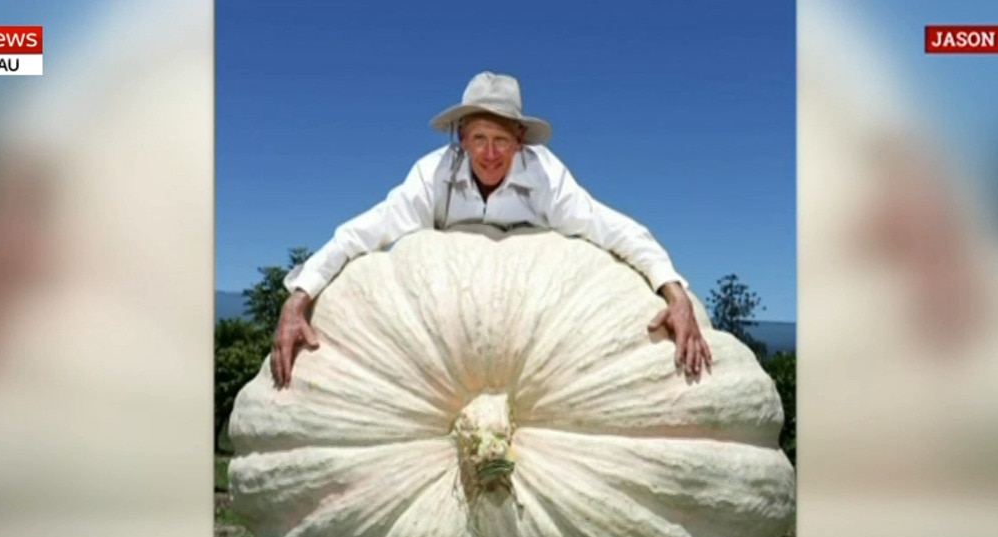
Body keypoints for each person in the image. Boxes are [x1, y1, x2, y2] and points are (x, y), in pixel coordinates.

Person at [271, 71, 710, 388]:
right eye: (479, 138)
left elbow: (612, 228)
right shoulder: (434, 175)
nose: (490, 152)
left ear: (520, 141)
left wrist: (675, 293)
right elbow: (363, 232)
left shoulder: (545, 178)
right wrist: (298, 300)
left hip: (530, 331)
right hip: (450, 328)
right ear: (461, 138)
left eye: (501, 140)